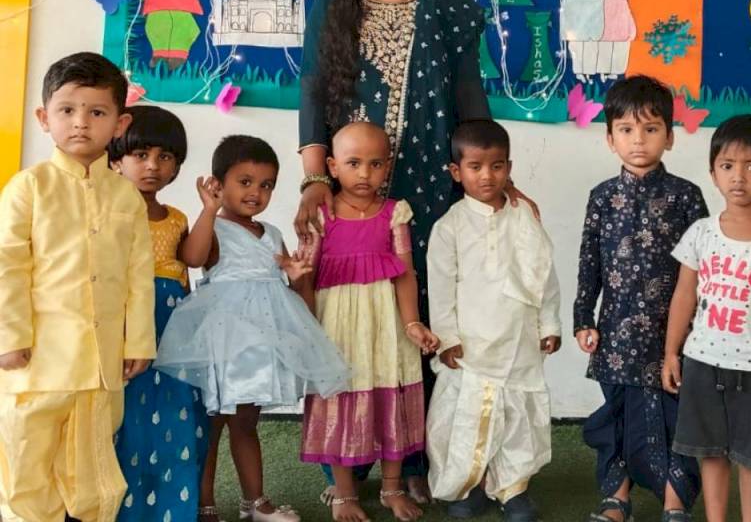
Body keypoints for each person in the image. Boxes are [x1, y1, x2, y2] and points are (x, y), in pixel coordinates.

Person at [295, 0, 534, 502]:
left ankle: (420, 458)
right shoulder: (333, 5)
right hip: (351, 192)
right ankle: (347, 465)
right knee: (350, 315)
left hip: (430, 187)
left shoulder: (449, 6)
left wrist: (497, 182)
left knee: (424, 312)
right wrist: (316, 179)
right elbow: (314, 95)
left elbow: (469, 99)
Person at [154, 135, 349, 522]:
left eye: (266, 185)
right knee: (212, 427)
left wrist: (299, 277)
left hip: (258, 350)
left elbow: (293, 295)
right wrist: (208, 210)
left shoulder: (272, 234)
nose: (256, 193)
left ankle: (254, 502)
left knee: (246, 423)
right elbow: (192, 257)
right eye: (244, 182)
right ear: (218, 183)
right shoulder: (214, 228)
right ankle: (204, 504)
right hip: (223, 343)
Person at [0, 52, 156, 522]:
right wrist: (9, 337)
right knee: (26, 469)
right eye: (67, 110)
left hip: (100, 367)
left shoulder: (126, 196)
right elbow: (8, 265)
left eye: (97, 112)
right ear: (44, 118)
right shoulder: (28, 187)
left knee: (94, 475)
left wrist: (139, 341)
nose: (81, 123)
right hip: (37, 364)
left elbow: (139, 275)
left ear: (120, 123)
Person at [573, 75, 707, 522]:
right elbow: (589, 262)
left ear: (669, 136)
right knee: (618, 415)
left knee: (675, 416)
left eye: (650, 129)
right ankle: (617, 499)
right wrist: (583, 318)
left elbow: (704, 268)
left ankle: (674, 501)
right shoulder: (602, 198)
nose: (638, 140)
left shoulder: (686, 196)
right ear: (609, 138)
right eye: (626, 129)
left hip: (675, 333)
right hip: (616, 331)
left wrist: (701, 329)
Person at [663, 115, 751, 522]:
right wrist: (671, 352)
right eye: (727, 166)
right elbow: (684, 295)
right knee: (711, 452)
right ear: (713, 173)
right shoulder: (701, 233)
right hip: (703, 362)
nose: (738, 177)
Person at [300, 122, 439, 522]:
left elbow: (405, 274)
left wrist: (412, 323)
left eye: (376, 164)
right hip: (337, 329)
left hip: (387, 327)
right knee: (339, 402)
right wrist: (306, 327)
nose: (365, 173)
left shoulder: (395, 213)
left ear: (388, 166)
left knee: (392, 400)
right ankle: (345, 493)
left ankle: (392, 487)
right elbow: (306, 275)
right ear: (332, 166)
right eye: (354, 163)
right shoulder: (321, 214)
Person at [426, 120, 561, 522]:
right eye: (475, 167)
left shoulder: (524, 216)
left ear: (509, 168)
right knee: (468, 416)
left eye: (497, 166)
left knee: (519, 417)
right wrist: (447, 337)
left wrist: (549, 324)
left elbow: (543, 273)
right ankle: (468, 486)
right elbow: (440, 287)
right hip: (471, 344)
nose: (487, 176)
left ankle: (512, 488)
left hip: (519, 339)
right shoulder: (449, 227)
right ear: (457, 172)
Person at [108, 105, 208, 521]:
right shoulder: (106, 213)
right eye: (141, 154)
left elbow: (192, 263)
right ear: (116, 160)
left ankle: (173, 509)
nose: (153, 165)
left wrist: (209, 210)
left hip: (172, 328)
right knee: (125, 422)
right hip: (125, 325)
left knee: (177, 416)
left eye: (164, 157)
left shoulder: (177, 218)